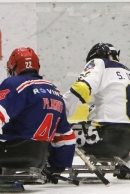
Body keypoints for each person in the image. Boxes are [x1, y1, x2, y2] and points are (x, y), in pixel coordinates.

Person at [63, 43, 130, 180]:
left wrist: (60, 112)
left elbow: (82, 88)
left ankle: (48, 166)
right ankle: (129, 166)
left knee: (53, 129)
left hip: (103, 138)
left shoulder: (99, 63)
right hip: (127, 148)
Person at [0, 47, 75, 177]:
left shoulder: (14, 84)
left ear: (14, 66)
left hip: (9, 153)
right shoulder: (54, 91)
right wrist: (58, 166)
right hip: (37, 158)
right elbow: (66, 135)